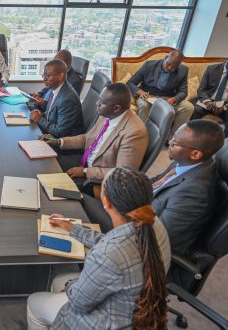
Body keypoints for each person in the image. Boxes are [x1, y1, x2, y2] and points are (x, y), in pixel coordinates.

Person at [27, 167, 170, 330]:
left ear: (106, 201)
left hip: (109, 322)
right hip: (139, 308)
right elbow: (114, 243)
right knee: (58, 280)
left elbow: (79, 303)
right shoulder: (153, 223)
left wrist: (70, 285)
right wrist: (72, 228)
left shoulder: (106, 255)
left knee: (35, 301)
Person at [83, 120, 224, 256]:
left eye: (175, 143)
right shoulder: (186, 162)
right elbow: (156, 181)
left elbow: (156, 235)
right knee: (85, 192)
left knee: (79, 203)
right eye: (172, 138)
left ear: (195, 154)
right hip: (137, 213)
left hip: (139, 239)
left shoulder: (195, 192)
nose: (169, 143)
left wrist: (118, 211)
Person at [42, 82, 148, 195]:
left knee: (52, 189)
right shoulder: (107, 114)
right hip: (84, 161)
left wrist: (85, 172)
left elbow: (122, 174)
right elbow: (86, 139)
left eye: (101, 103)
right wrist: (58, 141)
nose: (97, 103)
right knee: (45, 167)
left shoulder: (134, 132)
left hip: (96, 182)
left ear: (116, 108)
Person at [127, 50, 193, 140]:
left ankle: (173, 139)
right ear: (165, 58)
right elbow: (131, 82)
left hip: (168, 98)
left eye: (174, 67)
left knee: (188, 107)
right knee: (144, 105)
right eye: (168, 64)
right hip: (147, 96)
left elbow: (183, 92)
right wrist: (140, 92)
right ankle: (144, 137)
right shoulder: (149, 65)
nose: (170, 68)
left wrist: (173, 99)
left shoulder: (183, 70)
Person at [29, 60, 83, 138]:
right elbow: (54, 109)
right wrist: (40, 111)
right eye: (44, 75)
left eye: (48, 76)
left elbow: (60, 132)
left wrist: (39, 119)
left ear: (60, 76)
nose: (44, 79)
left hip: (60, 143)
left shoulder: (68, 99)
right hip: (49, 132)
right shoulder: (55, 88)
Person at [191, 60, 227, 129]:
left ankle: (223, 139)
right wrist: (207, 101)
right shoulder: (212, 69)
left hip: (224, 104)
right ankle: (192, 134)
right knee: (197, 110)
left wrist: (224, 107)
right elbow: (201, 89)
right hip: (208, 100)